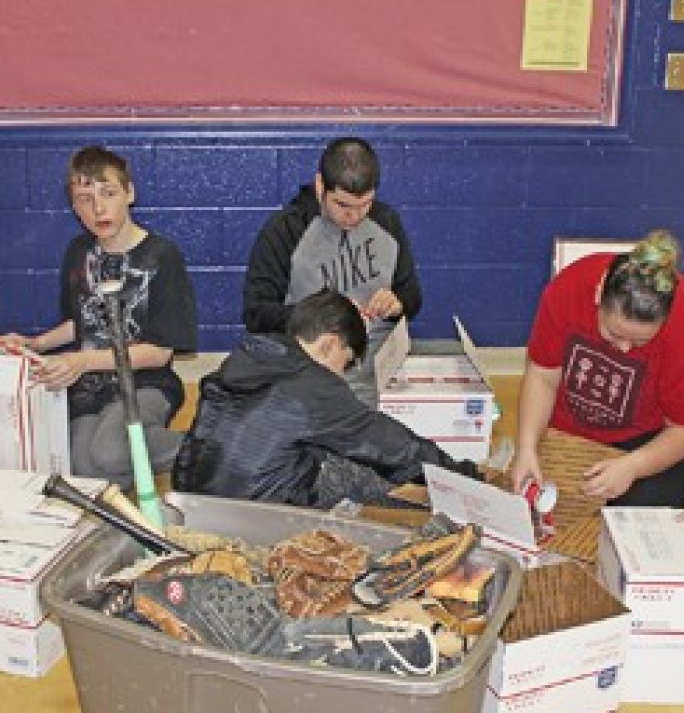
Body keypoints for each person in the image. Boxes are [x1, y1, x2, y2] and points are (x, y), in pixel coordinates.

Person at [0, 146, 197, 488]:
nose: (99, 208)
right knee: (80, 467)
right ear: (74, 207)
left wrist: (82, 361)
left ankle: (212, 451)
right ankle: (127, 502)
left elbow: (161, 352)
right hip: (91, 388)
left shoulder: (163, 256)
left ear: (129, 193)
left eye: (109, 193)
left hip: (145, 381)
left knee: (108, 452)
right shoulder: (79, 252)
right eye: (84, 199)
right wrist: (36, 343)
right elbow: (80, 322)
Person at [173, 289, 479, 508]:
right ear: (329, 345)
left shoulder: (250, 356)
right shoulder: (314, 387)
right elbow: (394, 446)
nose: (341, 376)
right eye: (345, 363)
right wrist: (461, 476)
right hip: (258, 524)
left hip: (195, 506)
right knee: (361, 471)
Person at [511, 229, 684, 507]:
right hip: (578, 420)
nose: (625, 349)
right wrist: (527, 448)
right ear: (600, 292)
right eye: (614, 335)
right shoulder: (570, 288)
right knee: (544, 507)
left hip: (663, 434)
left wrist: (633, 466)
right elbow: (542, 375)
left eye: (641, 340)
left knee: (626, 527)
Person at [243, 136, 421, 409]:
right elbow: (256, 313)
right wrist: (320, 315)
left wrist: (397, 303)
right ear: (320, 186)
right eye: (343, 205)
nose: (355, 216)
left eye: (365, 205)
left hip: (371, 356)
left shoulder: (386, 222)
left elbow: (412, 296)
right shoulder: (286, 230)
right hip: (311, 357)